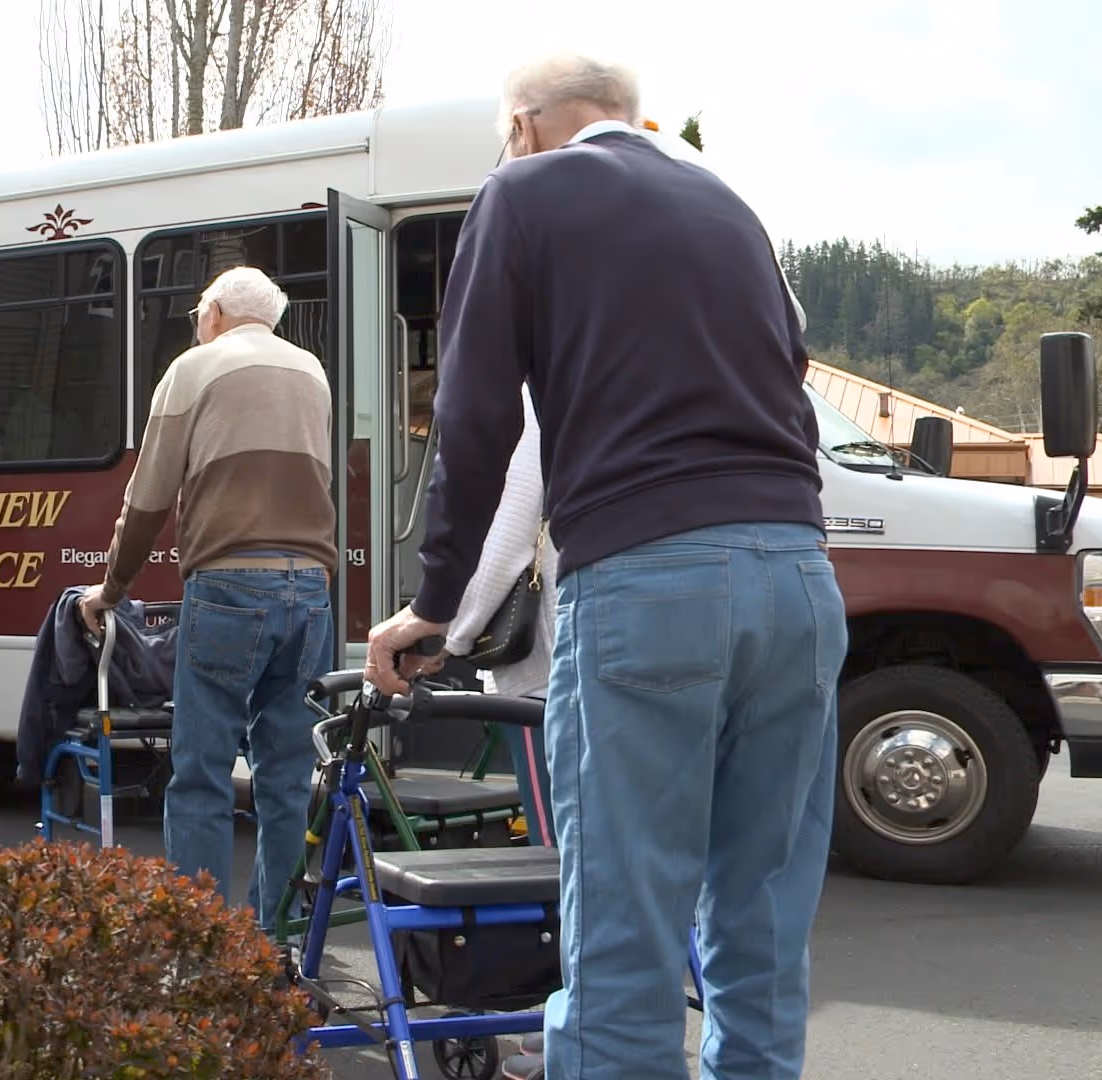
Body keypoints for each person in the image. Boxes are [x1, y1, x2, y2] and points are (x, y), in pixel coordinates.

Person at [365, 54, 844, 1080]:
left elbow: (476, 414)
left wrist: (435, 606)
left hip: (647, 577)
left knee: (625, 938)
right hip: (799, 578)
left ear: (528, 126)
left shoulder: (525, 191)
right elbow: (790, 383)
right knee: (762, 927)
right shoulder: (732, 209)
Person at [78, 265, 336, 934]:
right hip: (310, 588)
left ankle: (202, 946)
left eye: (199, 312)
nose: (198, 323)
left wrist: (112, 588)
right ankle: (276, 939)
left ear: (216, 312)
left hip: (229, 584)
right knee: (285, 775)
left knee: (200, 774)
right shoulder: (312, 372)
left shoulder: (195, 369)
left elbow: (148, 498)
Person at [440, 385, 558, 850]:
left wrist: (451, 636)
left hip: (549, 668)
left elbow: (508, 535)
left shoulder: (544, 387)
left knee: (558, 853)